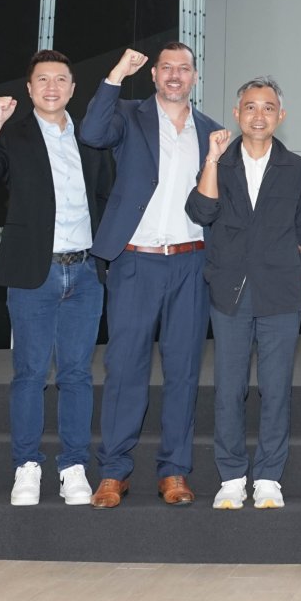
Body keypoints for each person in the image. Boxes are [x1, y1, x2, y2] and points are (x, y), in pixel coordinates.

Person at [78, 43, 221, 509]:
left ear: (194, 77)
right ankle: (113, 472)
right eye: (166, 68)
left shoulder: (212, 131)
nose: (175, 75)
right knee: (125, 369)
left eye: (184, 68)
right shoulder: (127, 114)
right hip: (135, 261)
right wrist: (117, 72)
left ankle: (174, 471)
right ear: (154, 75)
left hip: (191, 263)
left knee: (183, 371)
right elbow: (91, 132)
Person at [0, 50, 112, 506]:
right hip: (34, 272)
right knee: (30, 373)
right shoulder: (15, 135)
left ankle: (73, 467)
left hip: (85, 272)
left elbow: (107, 195)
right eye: (43, 79)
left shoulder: (90, 138)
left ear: (72, 88)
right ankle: (26, 466)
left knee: (77, 374)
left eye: (61, 79)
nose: (52, 87)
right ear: (29, 89)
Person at [187, 78, 301, 510]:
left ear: (281, 115)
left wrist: (277, 258)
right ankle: (230, 476)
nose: (258, 115)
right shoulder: (220, 163)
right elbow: (201, 211)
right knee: (229, 388)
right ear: (236, 113)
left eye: (268, 107)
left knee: (276, 389)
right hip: (229, 291)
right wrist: (211, 158)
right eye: (250, 107)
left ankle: (268, 477)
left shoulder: (296, 167)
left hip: (279, 292)